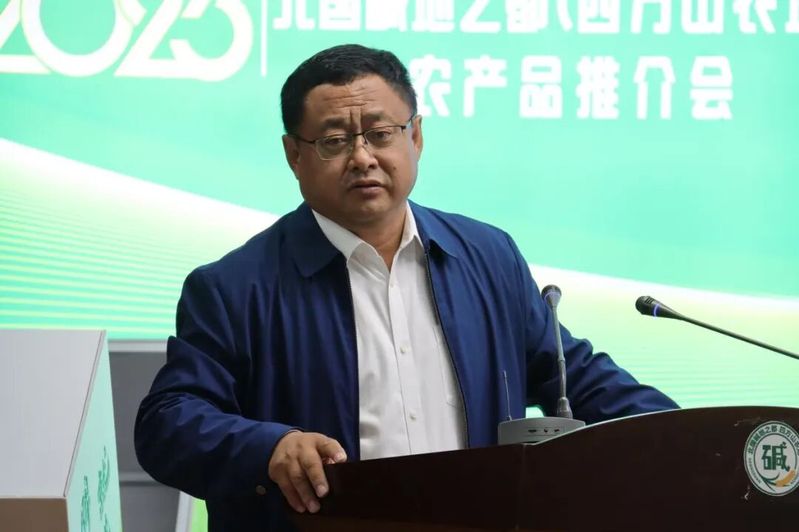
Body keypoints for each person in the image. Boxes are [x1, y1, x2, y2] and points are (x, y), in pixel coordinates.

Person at [135, 44, 678, 531]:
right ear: (294, 155)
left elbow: (572, 375)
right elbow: (168, 424)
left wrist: (691, 434)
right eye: (334, 141)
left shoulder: (486, 257)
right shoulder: (234, 287)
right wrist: (270, 447)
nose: (363, 158)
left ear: (415, 137)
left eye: (381, 133)